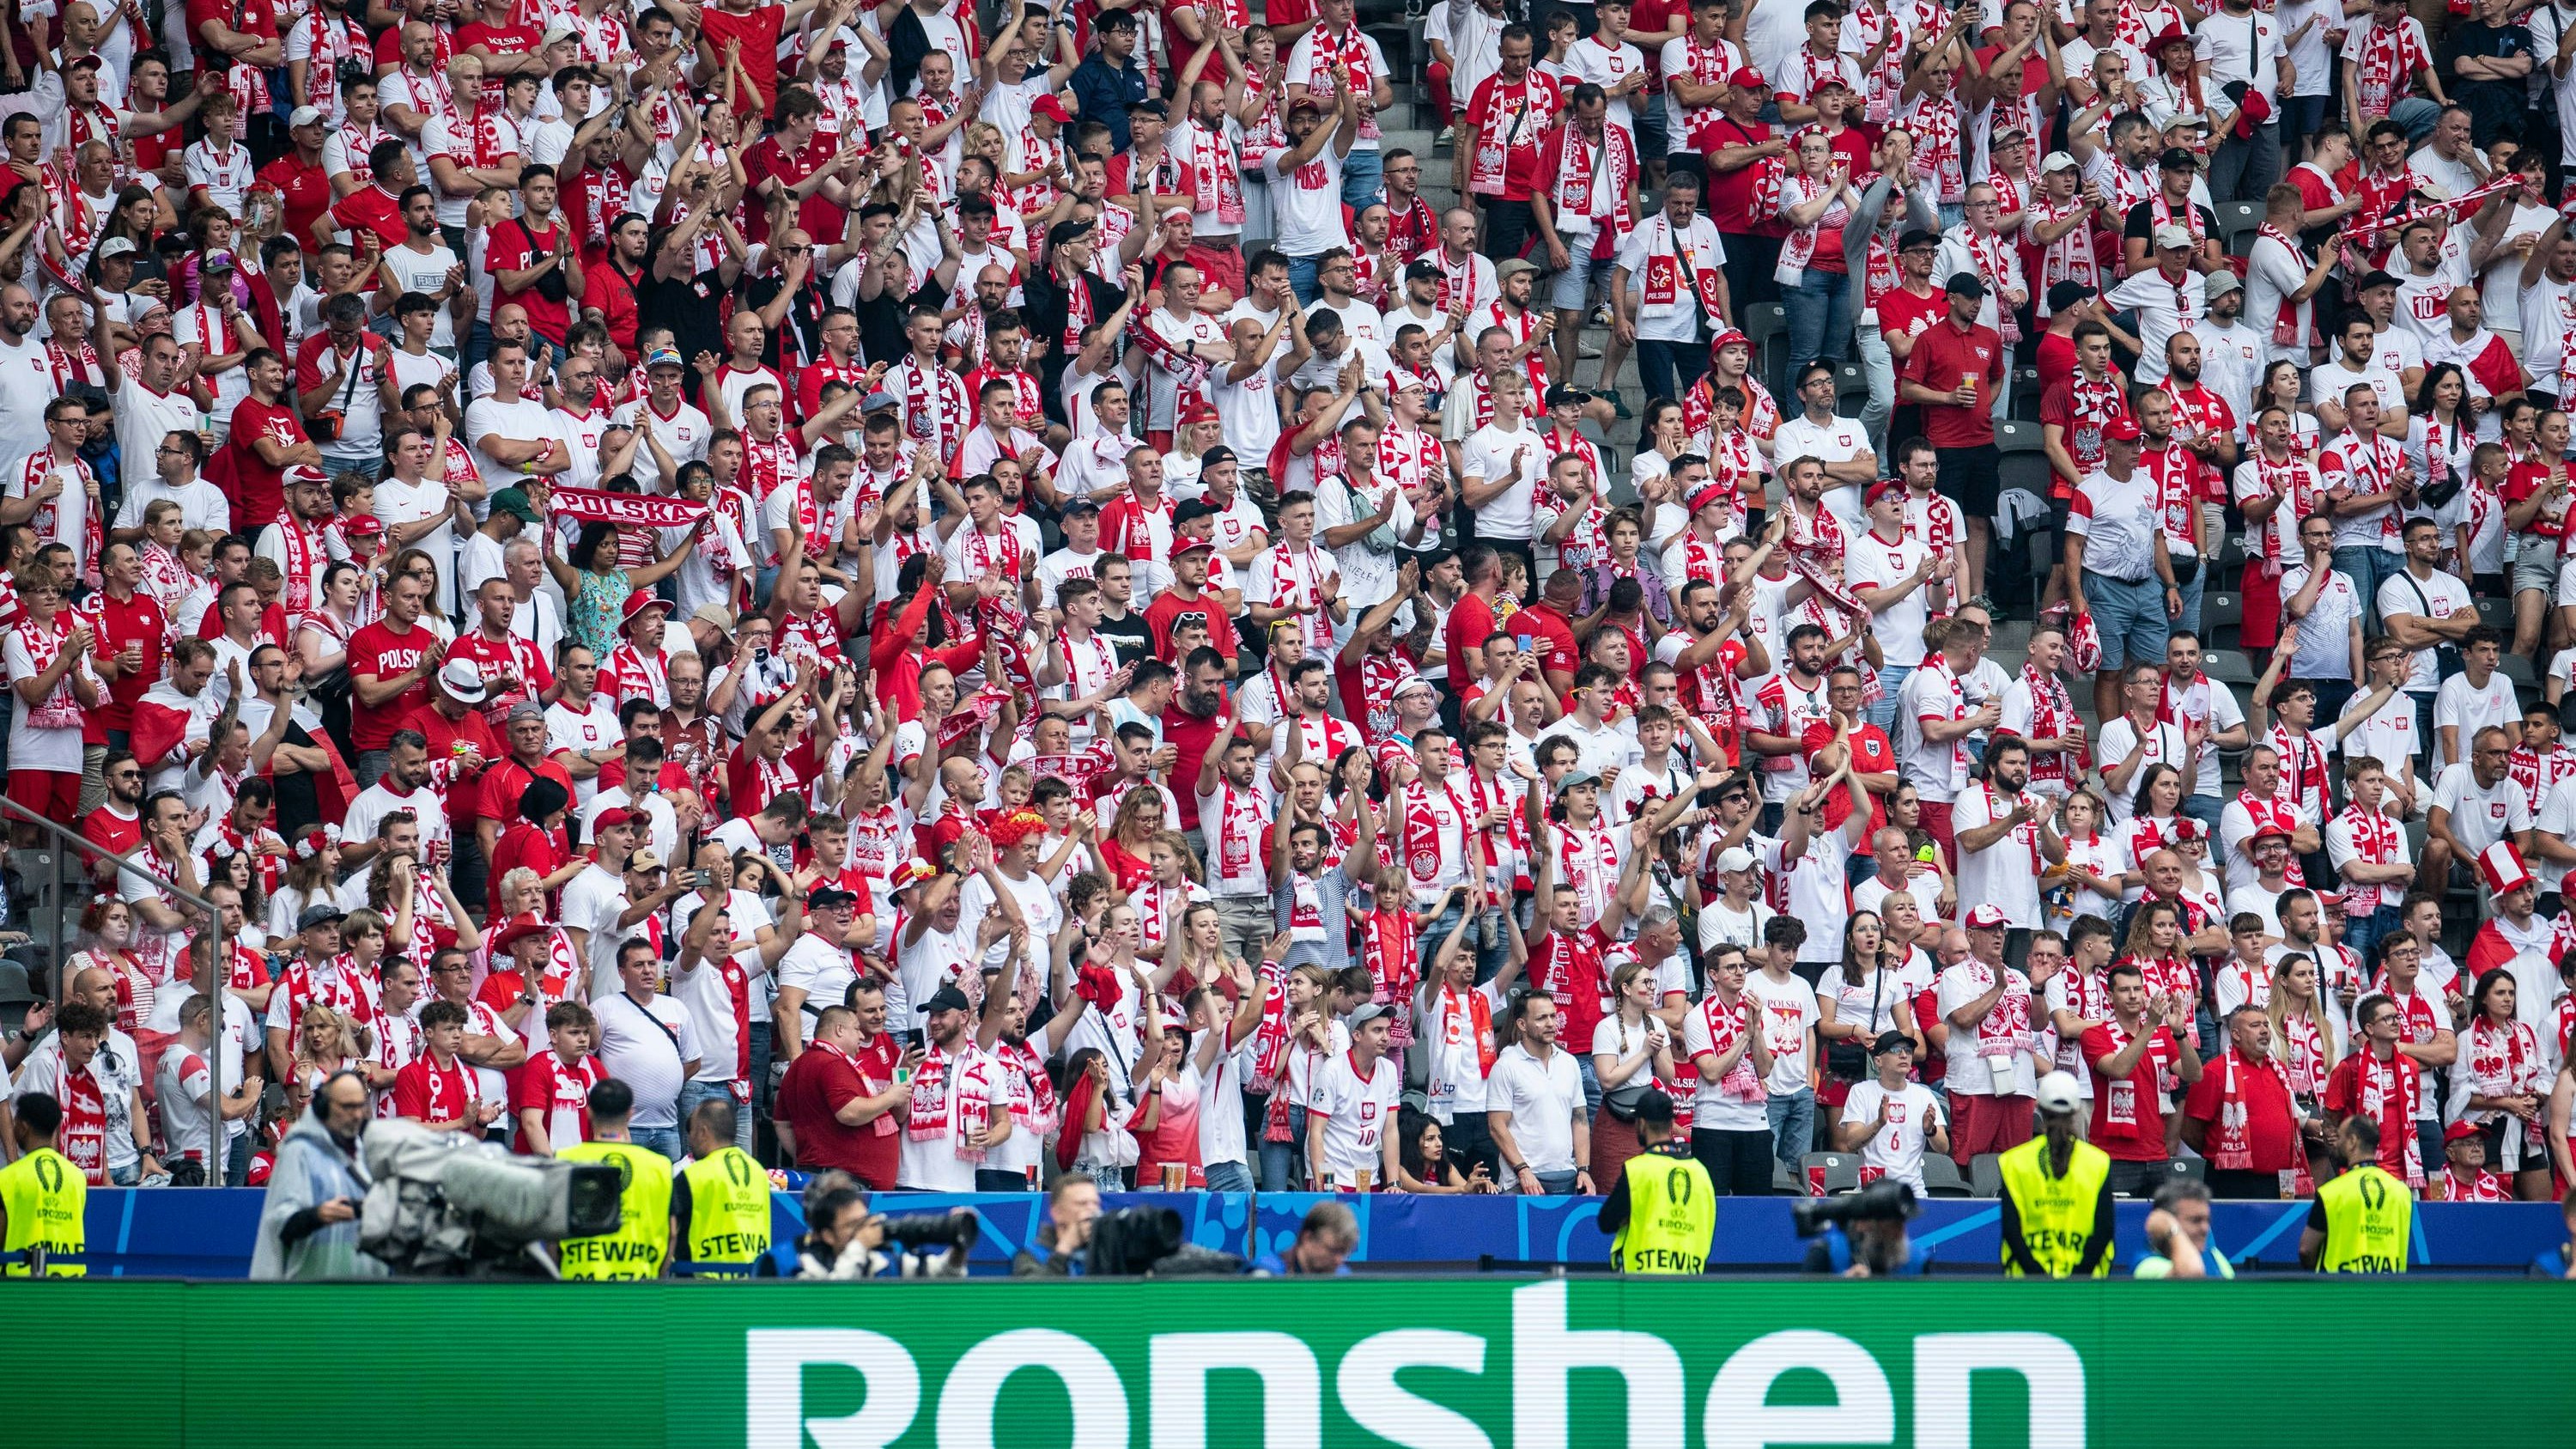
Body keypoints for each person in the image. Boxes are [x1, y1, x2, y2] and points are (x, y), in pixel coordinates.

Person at [250, 1070, 384, 1280]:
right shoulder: (298, 1151)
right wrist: (318, 1215)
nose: (357, 1115)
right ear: (323, 1107)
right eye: (348, 1107)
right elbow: (279, 1223)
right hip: (311, 1288)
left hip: (363, 1287)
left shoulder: (361, 1153)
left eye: (360, 1106)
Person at [1996, 1071, 2116, 1278]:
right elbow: (2104, 1230)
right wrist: (2077, 1278)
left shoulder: (2013, 1161)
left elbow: (2011, 1231)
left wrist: (2038, 1278)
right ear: (2076, 1109)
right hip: (2087, 1284)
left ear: (2039, 1107)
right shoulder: (2099, 1162)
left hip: (2026, 1284)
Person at [555, 1077, 674, 1281]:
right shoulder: (660, 1166)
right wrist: (656, 1279)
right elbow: (672, 1233)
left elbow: (550, 1233)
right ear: (630, 1114)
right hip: (641, 1285)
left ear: (589, 1112)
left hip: (578, 1285)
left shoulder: (563, 1160)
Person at [1598, 1089, 1713, 1273]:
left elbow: (1607, 1221)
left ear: (1641, 1124)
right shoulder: (1701, 1172)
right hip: (1690, 1277)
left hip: (1643, 1280)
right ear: (1671, 1123)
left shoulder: (1637, 1170)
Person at [1836, 1031, 1948, 1195]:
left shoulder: (1924, 1095)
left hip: (1913, 1193)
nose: (1904, 1055)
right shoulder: (1861, 1092)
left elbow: (1944, 1148)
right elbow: (1852, 1143)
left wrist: (1930, 1130)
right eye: (1895, 1050)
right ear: (1878, 1061)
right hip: (1871, 1193)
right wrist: (1878, 1124)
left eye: (1908, 1050)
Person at [668, 1099, 771, 1276]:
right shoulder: (759, 1173)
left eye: (691, 1131)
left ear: (703, 1132)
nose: (690, 1139)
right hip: (751, 1282)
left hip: (700, 1285)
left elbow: (671, 1232)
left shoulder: (693, 1175)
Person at [2300, 1113, 2414, 1272]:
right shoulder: (2402, 1193)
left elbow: (2306, 1250)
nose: (2336, 1143)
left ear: (2352, 1141)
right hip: (2389, 1285)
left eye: (2340, 1137)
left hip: (2338, 1285)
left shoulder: (2331, 1193)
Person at [0, 1093, 85, 1276]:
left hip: (20, 1282)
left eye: (15, 1122)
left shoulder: (8, 1178)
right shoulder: (77, 1177)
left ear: (23, 1127)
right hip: (71, 1279)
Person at [2133, 1178, 2234, 1279]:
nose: (2205, 1229)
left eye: (2207, 1220)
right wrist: (2173, 1230)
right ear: (2165, 1221)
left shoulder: (2214, 1256)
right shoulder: (2147, 1265)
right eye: (2195, 1220)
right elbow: (2191, 1274)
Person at [1012, 1172, 1104, 1275]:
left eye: (1096, 1203)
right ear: (1057, 1213)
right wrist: (1063, 1251)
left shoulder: (1105, 1251)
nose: (1092, 1210)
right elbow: (1034, 1285)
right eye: (1082, 1204)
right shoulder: (1031, 1255)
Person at [1253, 1199, 1359, 1275]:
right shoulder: (1267, 1273)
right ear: (1307, 1238)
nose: (1339, 1260)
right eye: (1333, 1250)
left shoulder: (1342, 1276)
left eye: (1343, 1252)